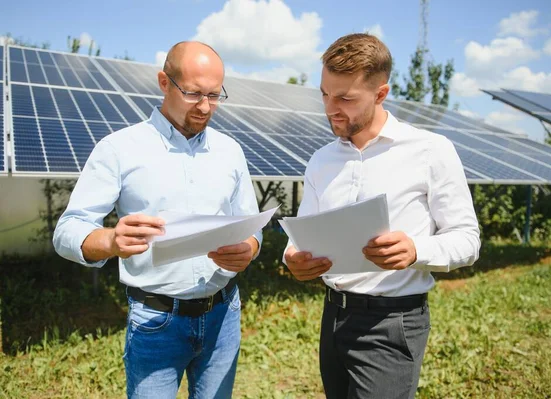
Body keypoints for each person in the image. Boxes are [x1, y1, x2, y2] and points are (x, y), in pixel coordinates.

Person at [53, 41, 261, 399]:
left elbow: (252, 225)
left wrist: (249, 248)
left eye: (215, 95)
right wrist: (110, 241)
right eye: (194, 93)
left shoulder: (230, 151)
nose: (206, 106)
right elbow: (67, 230)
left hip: (224, 315)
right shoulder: (119, 149)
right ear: (165, 82)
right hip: (156, 321)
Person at [283, 33, 481, 399]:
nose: (330, 108)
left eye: (345, 98)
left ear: (380, 93)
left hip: (391, 322)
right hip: (333, 318)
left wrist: (416, 250)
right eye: (324, 94)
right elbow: (302, 234)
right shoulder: (321, 160)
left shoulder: (430, 151)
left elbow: (468, 239)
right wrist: (293, 258)